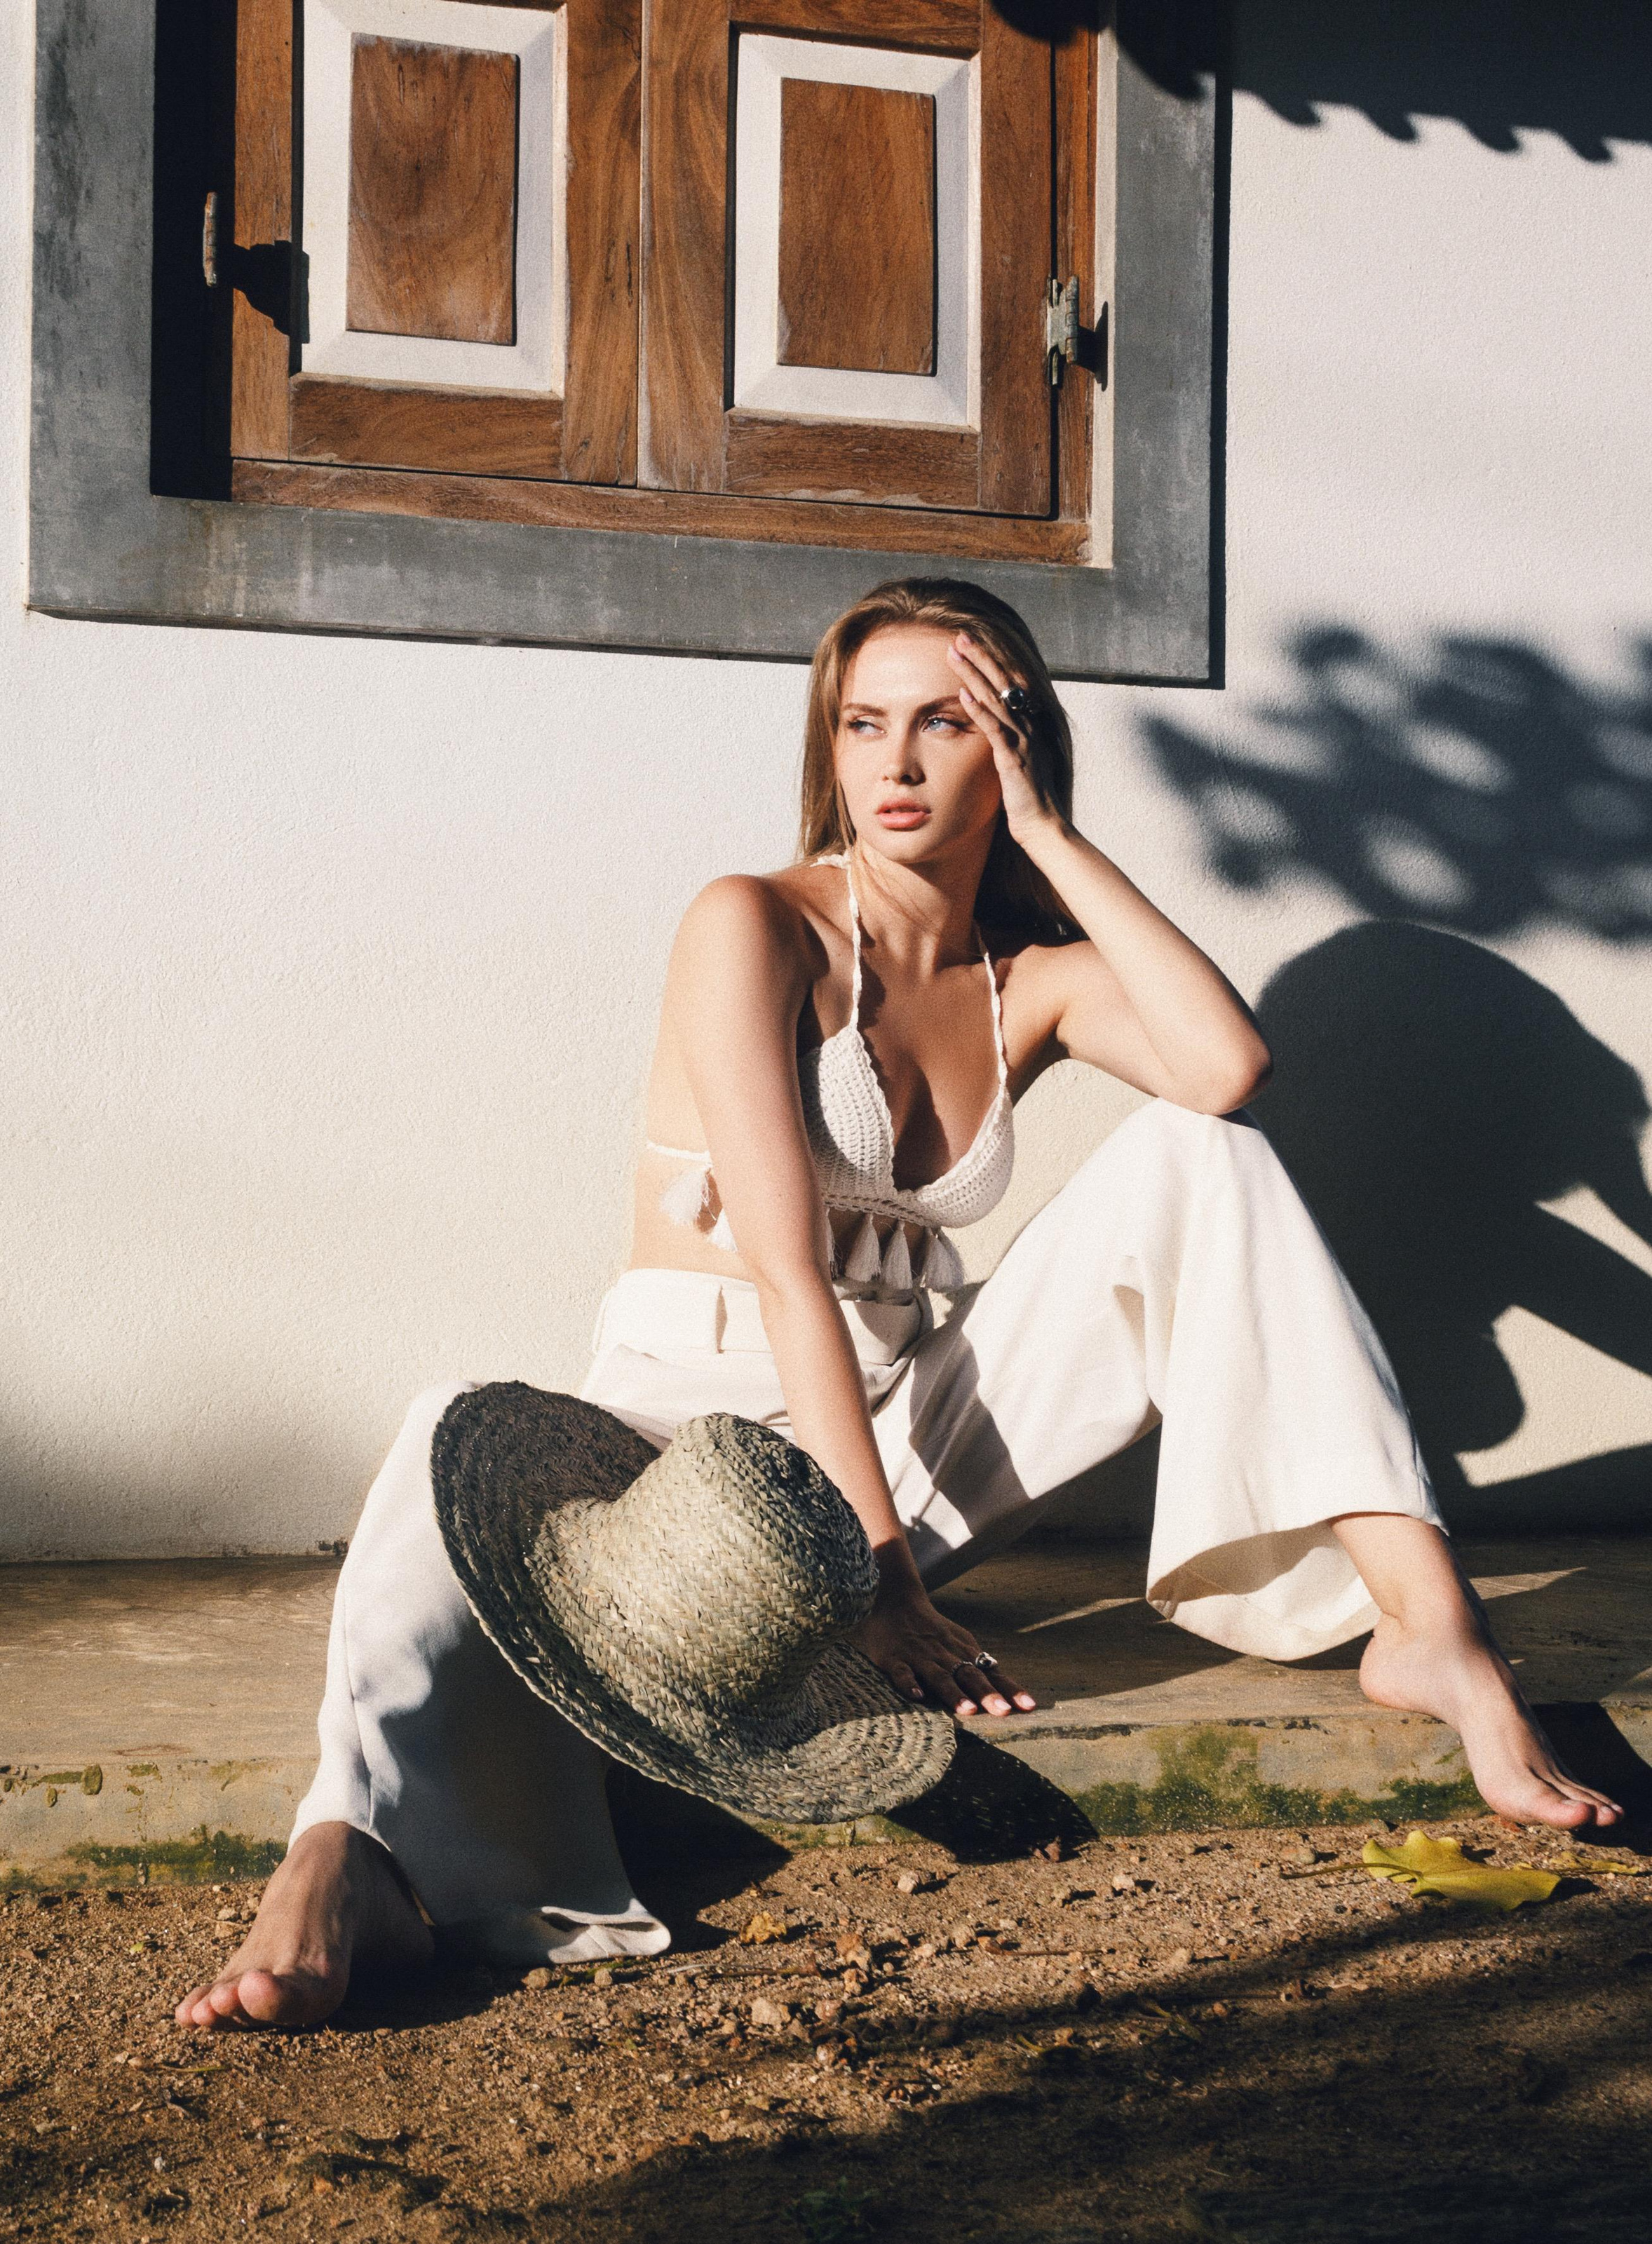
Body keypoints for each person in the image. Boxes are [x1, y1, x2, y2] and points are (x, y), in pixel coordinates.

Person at [177, 579, 1618, 2033]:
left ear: (1015, 745)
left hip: (895, 1425)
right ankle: (342, 1851)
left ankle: (1432, 1631)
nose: (897, 764)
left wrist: (1055, 837)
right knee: (443, 1441)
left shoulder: (1028, 981)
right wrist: (886, 1585)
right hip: (679, 1439)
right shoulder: (751, 925)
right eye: (864, 723)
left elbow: (1223, 1065)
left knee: (1204, 1155)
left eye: (946, 723)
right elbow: (792, 1273)